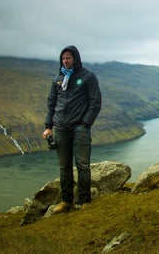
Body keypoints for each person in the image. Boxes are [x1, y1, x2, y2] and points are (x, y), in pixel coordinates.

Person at [42, 45, 102, 213]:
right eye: (63, 58)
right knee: (64, 166)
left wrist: (85, 124)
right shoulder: (58, 78)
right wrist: (48, 127)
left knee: (83, 165)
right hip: (61, 127)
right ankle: (66, 201)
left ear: (75, 58)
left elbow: (95, 102)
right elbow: (51, 103)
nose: (65, 61)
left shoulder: (88, 77)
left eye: (68, 58)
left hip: (79, 128)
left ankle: (84, 201)